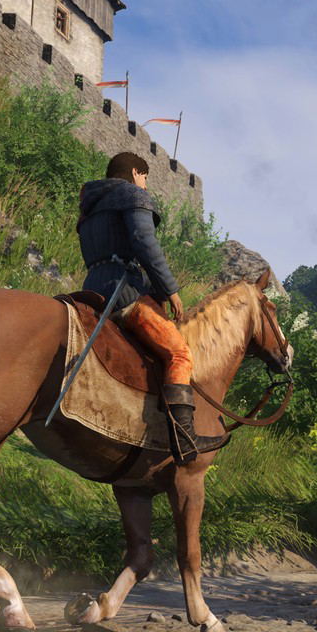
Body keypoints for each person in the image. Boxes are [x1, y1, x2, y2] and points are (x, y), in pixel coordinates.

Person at [77, 152, 205, 463]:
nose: (145, 184)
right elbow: (144, 242)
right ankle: (184, 439)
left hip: (91, 290)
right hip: (125, 293)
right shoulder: (132, 194)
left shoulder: (90, 209)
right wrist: (170, 290)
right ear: (135, 172)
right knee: (179, 354)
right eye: (145, 177)